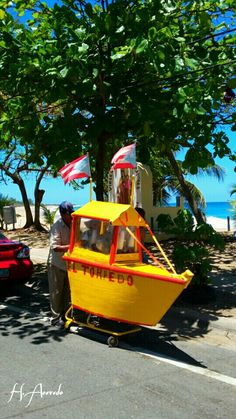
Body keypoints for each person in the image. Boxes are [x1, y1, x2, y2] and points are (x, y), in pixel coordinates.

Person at [47, 201, 74, 326]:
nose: (71, 216)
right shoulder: (57, 226)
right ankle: (55, 318)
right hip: (57, 264)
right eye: (69, 214)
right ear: (63, 214)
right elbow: (55, 247)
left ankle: (66, 315)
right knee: (56, 292)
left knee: (68, 292)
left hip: (69, 265)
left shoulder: (74, 224)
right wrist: (71, 247)